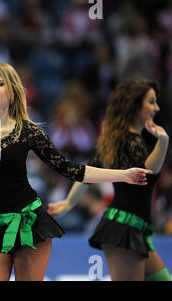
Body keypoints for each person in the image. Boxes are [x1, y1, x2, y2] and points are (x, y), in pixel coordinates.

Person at [0, 63, 153, 281]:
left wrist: (122, 174)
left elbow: (71, 170)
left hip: (29, 223)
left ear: (12, 90)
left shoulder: (28, 131)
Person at [48, 79, 170, 281]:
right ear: (135, 104)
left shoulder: (118, 139)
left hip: (134, 229)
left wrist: (69, 202)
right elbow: (147, 171)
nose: (156, 108)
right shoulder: (126, 141)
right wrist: (163, 142)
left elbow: (87, 174)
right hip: (123, 230)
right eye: (151, 102)